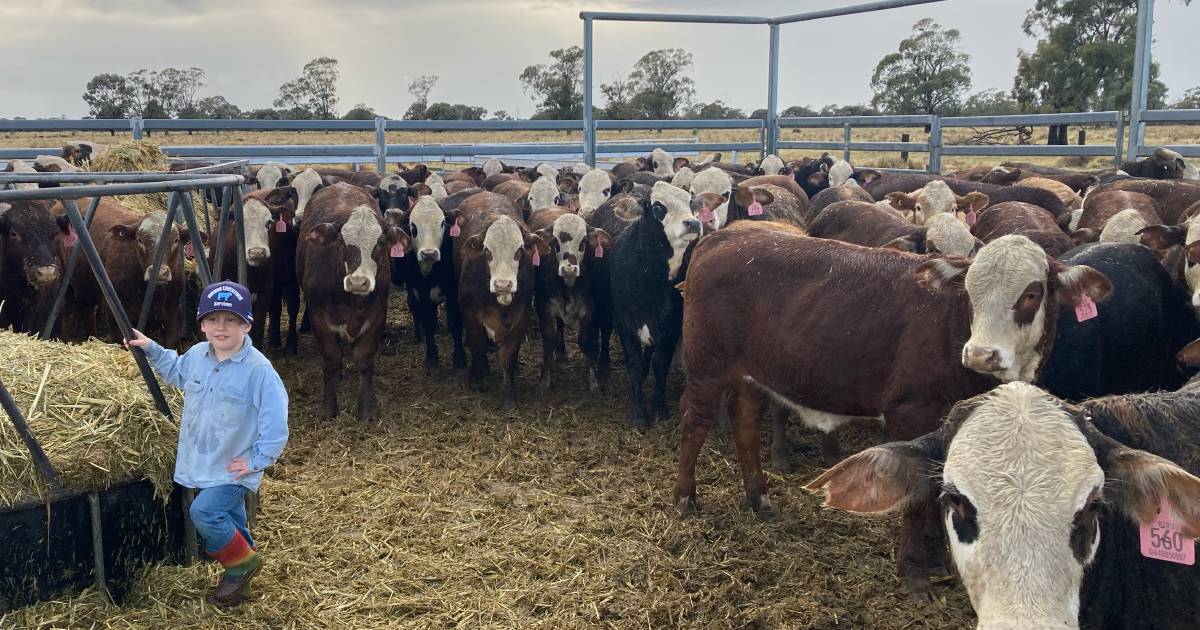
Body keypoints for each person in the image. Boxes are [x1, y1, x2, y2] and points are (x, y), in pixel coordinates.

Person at [127, 280, 288, 608]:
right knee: (230, 517)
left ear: (246, 324)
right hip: (203, 459)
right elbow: (175, 370)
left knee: (205, 511)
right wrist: (151, 348)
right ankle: (242, 575)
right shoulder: (198, 356)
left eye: (231, 320)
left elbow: (276, 421)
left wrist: (258, 460)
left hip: (234, 465)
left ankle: (240, 565)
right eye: (213, 319)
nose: (221, 327)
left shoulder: (259, 371)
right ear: (201, 324)